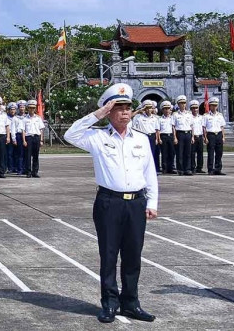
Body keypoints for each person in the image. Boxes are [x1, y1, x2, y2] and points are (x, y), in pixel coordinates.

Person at [65, 84, 158, 324]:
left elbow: (150, 173)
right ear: (109, 111)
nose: (125, 113)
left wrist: (153, 202)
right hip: (109, 202)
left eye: (128, 108)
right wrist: (97, 114)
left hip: (136, 203)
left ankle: (131, 302)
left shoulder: (142, 139)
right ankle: (109, 303)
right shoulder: (96, 137)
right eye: (119, 108)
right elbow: (70, 134)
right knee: (108, 255)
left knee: (133, 255)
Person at [132, 101, 161, 173]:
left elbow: (157, 129)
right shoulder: (138, 117)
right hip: (142, 136)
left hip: (152, 136)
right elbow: (131, 117)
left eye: (150, 108)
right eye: (146, 108)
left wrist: (157, 139)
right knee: (142, 153)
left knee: (152, 153)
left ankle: (153, 170)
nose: (148, 110)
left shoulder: (154, 118)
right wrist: (139, 111)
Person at [203, 99, 227, 175]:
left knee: (219, 153)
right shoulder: (206, 116)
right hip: (211, 135)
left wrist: (223, 137)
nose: (214, 107)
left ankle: (218, 169)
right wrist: (205, 137)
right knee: (210, 153)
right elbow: (204, 127)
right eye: (212, 105)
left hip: (219, 134)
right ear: (210, 106)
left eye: (215, 105)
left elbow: (222, 127)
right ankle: (210, 169)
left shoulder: (220, 115)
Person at [23, 103, 44, 178]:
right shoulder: (25, 119)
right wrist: (24, 140)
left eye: (33, 108)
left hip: (36, 137)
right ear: (28, 109)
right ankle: (28, 172)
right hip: (29, 138)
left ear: (35, 109)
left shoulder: (38, 118)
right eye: (30, 108)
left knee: (36, 156)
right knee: (28, 156)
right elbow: (23, 131)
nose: (31, 110)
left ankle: (35, 172)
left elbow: (41, 129)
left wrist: (41, 140)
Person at [173, 95, 193, 176]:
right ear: (178, 104)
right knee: (180, 152)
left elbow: (192, 126)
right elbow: (173, 126)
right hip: (180, 133)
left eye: (184, 103)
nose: (183, 105)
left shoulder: (189, 114)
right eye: (181, 103)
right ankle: (180, 169)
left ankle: (187, 169)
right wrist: (174, 137)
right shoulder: (175, 114)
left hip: (188, 133)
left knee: (188, 153)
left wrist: (192, 136)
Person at [157, 101, 176, 174]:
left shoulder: (172, 118)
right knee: (164, 153)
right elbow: (158, 130)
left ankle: (171, 168)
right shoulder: (160, 119)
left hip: (170, 135)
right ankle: (164, 168)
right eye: (165, 109)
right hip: (163, 136)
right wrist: (159, 138)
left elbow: (173, 128)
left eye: (168, 108)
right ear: (162, 110)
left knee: (172, 152)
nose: (167, 110)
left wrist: (174, 137)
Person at [189, 101, 205, 174]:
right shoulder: (189, 117)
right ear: (191, 109)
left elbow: (204, 127)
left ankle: (199, 167)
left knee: (200, 153)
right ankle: (192, 167)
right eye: (193, 108)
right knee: (192, 153)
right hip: (193, 136)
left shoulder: (201, 117)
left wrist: (205, 137)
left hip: (200, 136)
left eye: (196, 108)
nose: (195, 110)